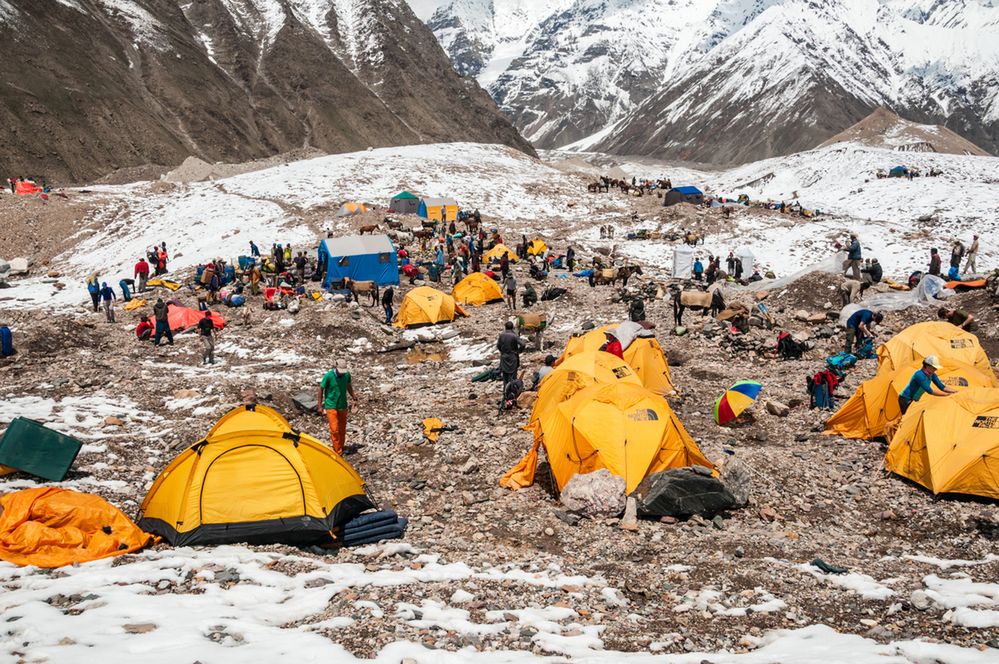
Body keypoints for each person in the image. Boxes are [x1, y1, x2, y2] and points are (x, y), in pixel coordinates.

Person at [317, 362, 357, 455]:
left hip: (342, 404)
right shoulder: (328, 376)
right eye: (340, 371)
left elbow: (348, 385)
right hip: (331, 405)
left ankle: (341, 446)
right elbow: (321, 389)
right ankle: (337, 451)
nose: (342, 373)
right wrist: (319, 405)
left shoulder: (347, 375)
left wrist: (353, 396)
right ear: (336, 367)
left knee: (342, 428)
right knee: (334, 429)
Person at [497, 321, 526, 395]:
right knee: (513, 378)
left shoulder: (501, 335)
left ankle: (505, 394)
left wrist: (503, 352)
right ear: (512, 327)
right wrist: (518, 351)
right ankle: (512, 393)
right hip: (513, 358)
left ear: (505, 327)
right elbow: (523, 344)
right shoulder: (514, 335)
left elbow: (498, 346)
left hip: (504, 358)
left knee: (505, 378)